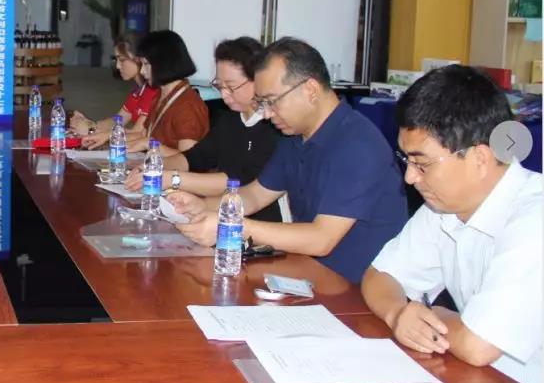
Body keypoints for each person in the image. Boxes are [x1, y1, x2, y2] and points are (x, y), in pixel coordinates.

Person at [359, 65, 541, 383]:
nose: (410, 178)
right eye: (407, 161)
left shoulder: (533, 219)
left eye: (422, 163)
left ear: (479, 157)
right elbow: (380, 276)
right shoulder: (446, 207)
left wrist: (434, 313)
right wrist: (398, 312)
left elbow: (478, 346)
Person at [168, 37, 406, 283]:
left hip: (357, 290)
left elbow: (321, 239)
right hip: (310, 275)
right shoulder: (294, 136)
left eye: (272, 101)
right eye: (262, 103)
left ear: (310, 90)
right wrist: (202, 206)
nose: (267, 114)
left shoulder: (358, 144)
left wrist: (233, 226)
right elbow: (255, 195)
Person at [125, 37, 283, 222]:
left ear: (258, 80)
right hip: (221, 212)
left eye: (231, 87)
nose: (224, 95)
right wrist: (155, 166)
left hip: (256, 221)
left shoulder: (273, 127)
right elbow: (194, 157)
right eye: (220, 86)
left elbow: (238, 181)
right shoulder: (230, 119)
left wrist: (171, 179)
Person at [70, 33, 159, 149]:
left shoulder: (152, 91)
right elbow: (118, 120)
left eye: (122, 60)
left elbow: (138, 133)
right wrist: (90, 124)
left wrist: (91, 131)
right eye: (116, 60)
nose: (117, 66)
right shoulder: (138, 90)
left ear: (138, 59)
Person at [129, 30, 209, 157]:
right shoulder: (160, 95)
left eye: (146, 64)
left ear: (163, 63)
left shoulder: (188, 106)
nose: (142, 71)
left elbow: (189, 159)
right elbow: (144, 134)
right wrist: (111, 139)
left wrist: (151, 145)